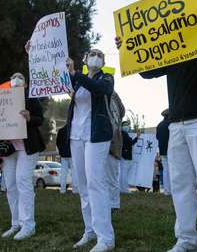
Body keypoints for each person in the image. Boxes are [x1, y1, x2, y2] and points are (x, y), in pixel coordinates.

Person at [116, 5, 197, 252]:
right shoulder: (173, 49)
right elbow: (148, 72)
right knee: (181, 184)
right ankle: (186, 240)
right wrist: (128, 48)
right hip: (176, 124)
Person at [65, 49, 115, 252]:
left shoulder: (107, 78)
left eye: (99, 55)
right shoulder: (78, 80)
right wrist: (34, 53)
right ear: (85, 59)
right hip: (76, 136)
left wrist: (76, 73)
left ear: (103, 61)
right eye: (92, 53)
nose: (95, 56)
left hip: (96, 136)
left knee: (96, 184)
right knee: (83, 186)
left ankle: (106, 238)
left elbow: (99, 89)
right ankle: (90, 231)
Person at [0, 72, 45, 241]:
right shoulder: (2, 100)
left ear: (25, 84)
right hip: (9, 149)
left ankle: (28, 225)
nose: (16, 79)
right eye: (12, 77)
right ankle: (16, 223)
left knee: (23, 182)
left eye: (20, 77)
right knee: (10, 184)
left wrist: (29, 118)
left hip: (28, 148)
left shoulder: (31, 98)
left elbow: (41, 119)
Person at [119, 122, 138, 194]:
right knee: (124, 173)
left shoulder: (121, 133)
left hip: (122, 155)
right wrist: (137, 138)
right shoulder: (124, 133)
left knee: (122, 173)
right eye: (125, 125)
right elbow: (131, 142)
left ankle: (121, 188)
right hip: (126, 155)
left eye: (127, 125)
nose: (126, 126)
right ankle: (125, 189)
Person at [156, 109, 171, 196]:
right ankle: (172, 191)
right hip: (171, 150)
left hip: (163, 151)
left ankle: (167, 191)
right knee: (173, 171)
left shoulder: (159, 125)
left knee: (165, 171)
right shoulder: (171, 124)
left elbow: (157, 137)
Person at [56, 125, 73, 194]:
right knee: (74, 173)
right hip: (72, 154)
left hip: (63, 155)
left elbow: (58, 142)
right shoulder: (73, 130)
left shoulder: (61, 130)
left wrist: (61, 151)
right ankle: (75, 189)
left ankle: (62, 189)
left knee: (63, 173)